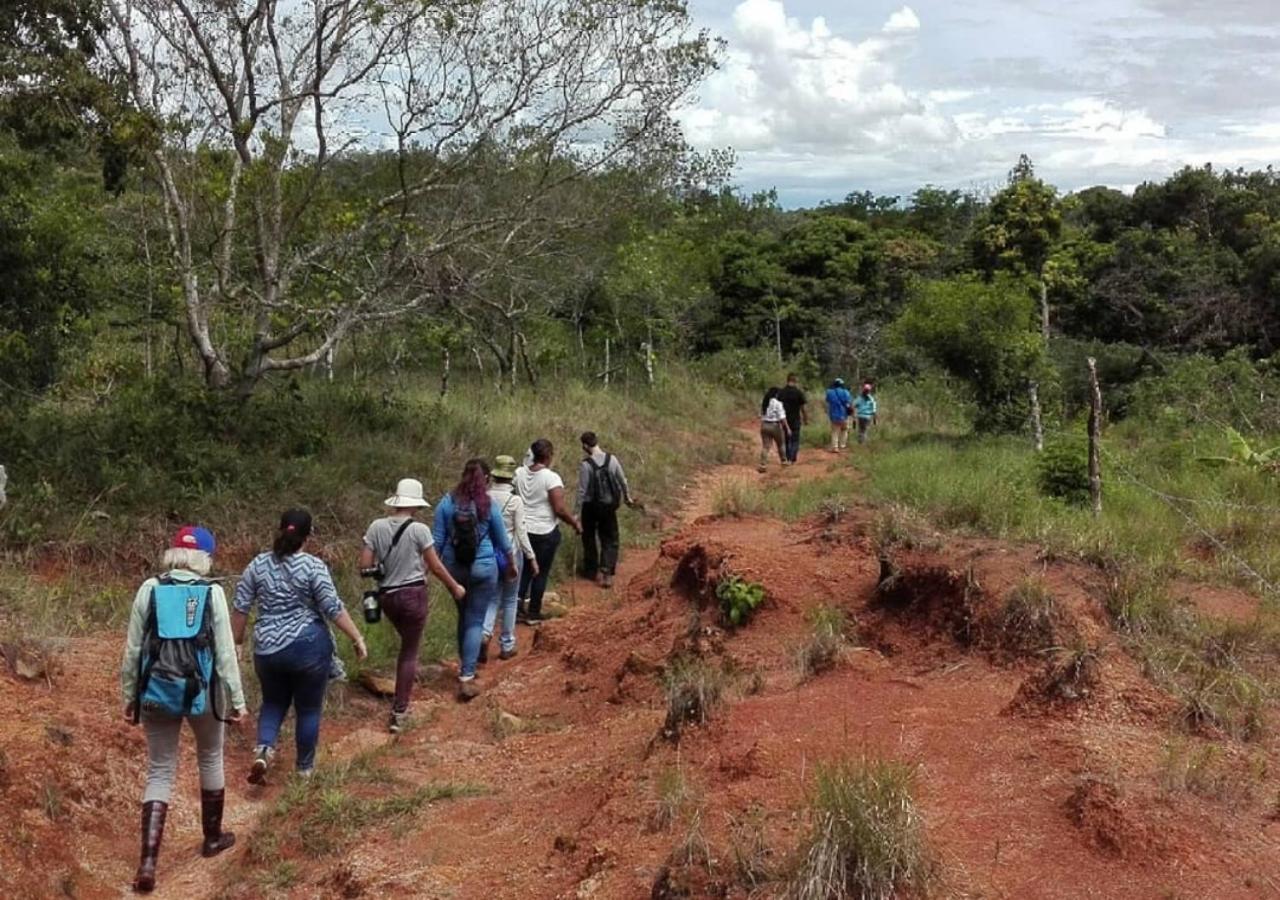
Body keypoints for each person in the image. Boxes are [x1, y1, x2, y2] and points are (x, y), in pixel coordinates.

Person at [121, 526, 246, 893]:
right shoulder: (212, 592)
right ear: (204, 558)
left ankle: (147, 862)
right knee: (210, 757)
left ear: (174, 554)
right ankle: (212, 839)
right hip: (202, 693)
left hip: (156, 691)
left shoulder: (150, 588)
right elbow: (224, 652)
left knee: (159, 769)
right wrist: (237, 701)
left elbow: (132, 651)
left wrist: (130, 695)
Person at [232, 509, 367, 783]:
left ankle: (264, 749)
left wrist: (236, 643)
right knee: (308, 708)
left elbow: (241, 607)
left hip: (267, 650)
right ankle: (304, 769)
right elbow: (332, 607)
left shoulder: (257, 565)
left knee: (272, 702)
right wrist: (357, 637)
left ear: (280, 529)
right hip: (307, 647)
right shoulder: (313, 567)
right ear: (309, 536)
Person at [360, 478, 467, 733]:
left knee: (406, 645)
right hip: (413, 595)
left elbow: (363, 566)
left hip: (386, 597)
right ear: (416, 505)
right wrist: (455, 587)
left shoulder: (376, 526)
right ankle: (400, 710)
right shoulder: (420, 530)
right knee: (409, 652)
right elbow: (436, 565)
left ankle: (401, 698)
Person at [433, 459, 516, 701]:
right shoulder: (487, 505)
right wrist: (511, 566)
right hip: (484, 569)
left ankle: (465, 661)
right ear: (487, 479)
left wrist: (430, 569)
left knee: (464, 614)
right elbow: (503, 540)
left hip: (454, 570)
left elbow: (436, 541)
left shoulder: (446, 503)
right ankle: (467, 674)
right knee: (475, 619)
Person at [516, 438, 582, 625]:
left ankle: (516, 608)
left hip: (523, 530)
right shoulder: (551, 478)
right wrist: (574, 523)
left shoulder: (519, 473)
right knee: (541, 572)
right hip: (544, 531)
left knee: (525, 570)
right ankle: (534, 612)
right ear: (548, 456)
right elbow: (559, 508)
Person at [485, 455, 536, 662]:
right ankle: (507, 643)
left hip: (489, 551)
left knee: (492, 597)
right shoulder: (515, 501)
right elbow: (521, 532)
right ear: (511, 478)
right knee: (509, 599)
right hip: (510, 553)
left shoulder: (485, 498)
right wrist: (531, 556)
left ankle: (484, 633)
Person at [576, 431, 635, 588]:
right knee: (610, 538)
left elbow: (581, 491)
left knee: (589, 538)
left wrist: (576, 513)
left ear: (585, 445)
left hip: (590, 507)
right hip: (608, 506)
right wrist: (627, 497)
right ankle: (607, 572)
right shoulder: (612, 459)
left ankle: (591, 570)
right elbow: (622, 480)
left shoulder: (586, 465)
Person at [776, 373, 808, 465]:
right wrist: (805, 418)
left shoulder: (781, 392)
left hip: (784, 419)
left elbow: (777, 406)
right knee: (795, 439)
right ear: (795, 381)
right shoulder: (799, 392)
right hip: (796, 419)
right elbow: (803, 408)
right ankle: (793, 458)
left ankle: (788, 457)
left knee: (786, 439)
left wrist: (777, 419)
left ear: (787, 380)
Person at [759, 386, 790, 472]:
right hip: (775, 425)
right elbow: (782, 417)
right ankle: (783, 461)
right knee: (781, 444)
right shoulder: (778, 403)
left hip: (765, 425)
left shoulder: (764, 402)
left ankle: (763, 464)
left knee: (765, 446)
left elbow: (760, 415)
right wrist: (787, 428)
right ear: (776, 394)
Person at [825, 377, 854, 452]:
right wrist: (852, 413)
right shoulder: (846, 392)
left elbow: (827, 401)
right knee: (844, 430)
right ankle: (842, 445)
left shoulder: (829, 392)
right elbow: (849, 403)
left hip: (834, 415)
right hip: (844, 415)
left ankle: (835, 447)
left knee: (835, 431)